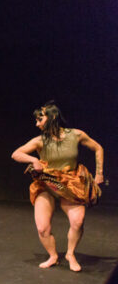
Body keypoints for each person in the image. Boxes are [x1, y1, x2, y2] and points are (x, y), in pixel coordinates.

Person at [11, 101, 103, 272]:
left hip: (71, 184)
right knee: (42, 227)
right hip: (47, 184)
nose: (37, 124)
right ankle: (53, 256)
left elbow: (98, 148)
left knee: (78, 221)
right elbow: (16, 154)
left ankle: (70, 254)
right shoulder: (40, 140)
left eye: (40, 119)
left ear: (52, 117)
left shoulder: (76, 135)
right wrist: (34, 159)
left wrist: (99, 173)